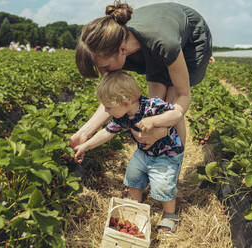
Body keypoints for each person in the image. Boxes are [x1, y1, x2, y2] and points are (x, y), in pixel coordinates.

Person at [70, 1, 212, 154]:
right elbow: (112, 97)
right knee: (153, 107)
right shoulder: (113, 47)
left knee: (170, 103)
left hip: (189, 39)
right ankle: (153, 161)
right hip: (154, 38)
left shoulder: (164, 44)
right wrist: (84, 132)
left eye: (105, 67)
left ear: (122, 50)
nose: (104, 73)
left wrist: (162, 128)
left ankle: (173, 162)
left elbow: (183, 97)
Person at [74, 70, 184, 233]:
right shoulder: (122, 117)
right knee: (132, 175)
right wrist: (85, 146)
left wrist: (154, 121)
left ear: (125, 102)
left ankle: (169, 215)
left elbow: (176, 114)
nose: (106, 110)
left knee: (163, 185)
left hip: (167, 155)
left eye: (108, 106)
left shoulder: (153, 105)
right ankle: (135, 203)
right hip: (144, 154)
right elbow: (107, 133)